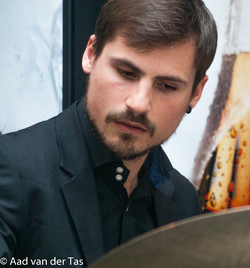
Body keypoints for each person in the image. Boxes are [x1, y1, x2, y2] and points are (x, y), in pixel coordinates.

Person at [0, 0, 217, 266]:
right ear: (91, 54)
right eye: (126, 73)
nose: (138, 103)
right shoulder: (10, 168)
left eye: (167, 86)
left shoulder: (183, 200)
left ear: (195, 93)